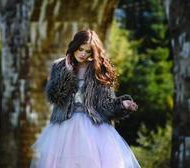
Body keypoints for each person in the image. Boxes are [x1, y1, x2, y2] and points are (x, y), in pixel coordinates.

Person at [30, 29, 141, 168]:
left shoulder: (98, 70)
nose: (83, 54)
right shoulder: (59, 66)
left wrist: (123, 105)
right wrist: (68, 73)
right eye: (80, 49)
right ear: (74, 46)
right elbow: (54, 97)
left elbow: (106, 106)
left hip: (95, 129)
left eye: (88, 51)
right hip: (64, 129)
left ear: (93, 52)